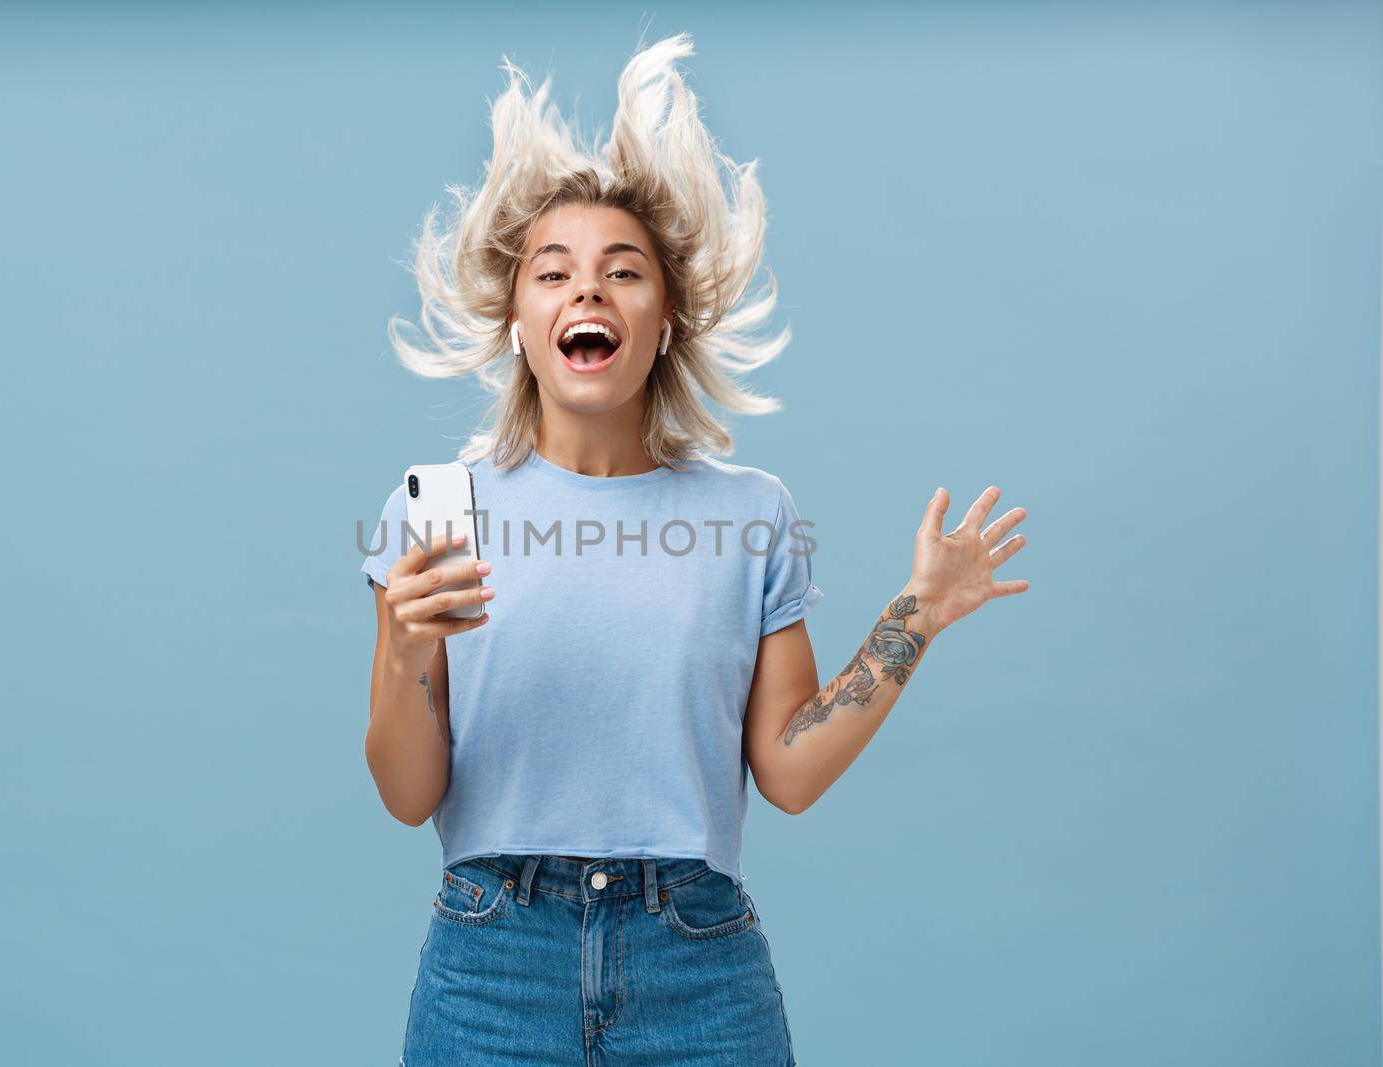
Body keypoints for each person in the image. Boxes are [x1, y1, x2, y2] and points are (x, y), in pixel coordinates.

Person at [358, 33, 1029, 1067]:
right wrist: (403, 654)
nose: (588, 291)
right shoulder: (435, 514)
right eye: (555, 273)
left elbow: (790, 771)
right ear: (518, 319)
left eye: (623, 272)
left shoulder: (751, 515)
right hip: (490, 964)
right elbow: (409, 794)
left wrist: (917, 615)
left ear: (663, 318)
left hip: (696, 965)